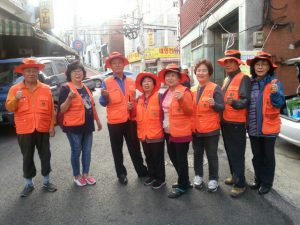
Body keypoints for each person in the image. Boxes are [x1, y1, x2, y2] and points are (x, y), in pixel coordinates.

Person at [5, 58, 57, 197]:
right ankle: (28, 184)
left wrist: (51, 126)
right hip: (24, 129)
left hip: (42, 128)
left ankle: (46, 181)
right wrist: (16, 98)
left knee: (45, 155)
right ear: (23, 73)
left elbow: (51, 109)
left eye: (34, 71)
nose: (32, 73)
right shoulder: (15, 89)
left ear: (38, 72)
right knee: (27, 156)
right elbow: (9, 107)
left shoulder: (45, 89)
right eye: (28, 71)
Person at [99, 52, 148, 185]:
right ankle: (121, 173)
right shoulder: (106, 82)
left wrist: (134, 104)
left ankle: (141, 171)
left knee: (135, 147)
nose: (117, 65)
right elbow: (103, 103)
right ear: (111, 67)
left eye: (119, 63)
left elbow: (137, 99)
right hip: (114, 122)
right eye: (114, 63)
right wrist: (104, 96)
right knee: (117, 149)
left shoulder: (131, 81)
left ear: (123, 64)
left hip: (130, 120)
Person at [246, 52, 284, 195]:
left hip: (269, 128)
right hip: (254, 127)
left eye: (264, 64)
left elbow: (279, 104)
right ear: (253, 67)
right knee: (257, 156)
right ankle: (258, 179)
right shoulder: (251, 83)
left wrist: (275, 93)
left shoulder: (274, 83)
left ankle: (267, 183)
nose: (260, 67)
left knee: (268, 157)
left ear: (269, 67)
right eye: (257, 64)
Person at [58, 61, 102, 187]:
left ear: (83, 73)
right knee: (76, 151)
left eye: (80, 71)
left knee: (87, 151)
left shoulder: (85, 87)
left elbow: (91, 106)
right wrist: (69, 98)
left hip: (87, 125)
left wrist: (97, 121)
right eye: (74, 71)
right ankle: (77, 176)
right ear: (69, 74)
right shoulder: (66, 88)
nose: (78, 73)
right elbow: (62, 109)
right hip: (73, 126)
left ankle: (86, 174)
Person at [217, 50, 251, 198]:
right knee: (230, 152)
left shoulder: (244, 78)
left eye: (231, 61)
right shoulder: (226, 79)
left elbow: (246, 101)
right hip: (226, 122)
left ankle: (240, 184)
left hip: (236, 123)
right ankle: (234, 176)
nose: (228, 64)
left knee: (237, 154)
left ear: (238, 63)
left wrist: (234, 102)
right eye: (226, 62)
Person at [158, 64, 193, 198]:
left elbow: (190, 111)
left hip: (181, 131)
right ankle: (184, 180)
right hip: (168, 131)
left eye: (173, 76)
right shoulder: (166, 92)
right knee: (173, 157)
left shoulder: (184, 91)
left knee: (181, 159)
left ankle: (183, 186)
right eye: (168, 76)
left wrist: (182, 100)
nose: (170, 78)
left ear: (179, 78)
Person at [191, 59, 224, 192]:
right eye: (198, 70)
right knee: (197, 154)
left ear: (209, 73)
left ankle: (213, 179)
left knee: (211, 155)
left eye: (204, 70)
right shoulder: (192, 89)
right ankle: (198, 176)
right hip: (195, 129)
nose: (201, 73)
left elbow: (222, 107)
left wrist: (214, 104)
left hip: (211, 130)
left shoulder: (215, 88)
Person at [135, 72, 166, 189]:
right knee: (148, 157)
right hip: (144, 134)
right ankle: (152, 176)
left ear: (154, 84)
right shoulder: (139, 99)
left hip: (157, 134)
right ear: (141, 85)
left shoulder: (159, 97)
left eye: (149, 81)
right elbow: (136, 115)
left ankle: (161, 179)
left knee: (158, 158)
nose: (146, 83)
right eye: (144, 81)